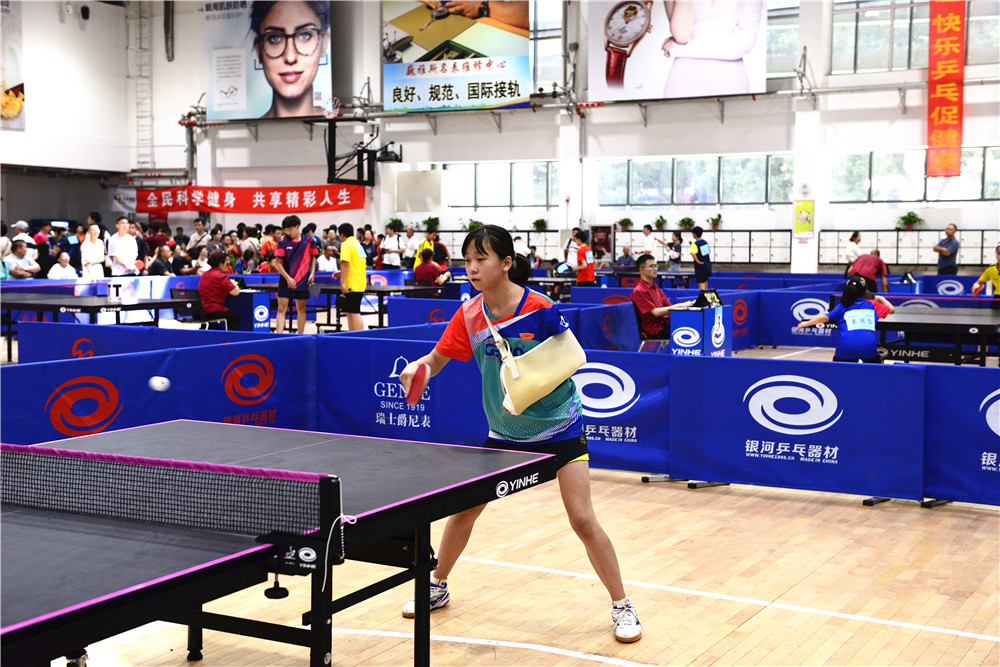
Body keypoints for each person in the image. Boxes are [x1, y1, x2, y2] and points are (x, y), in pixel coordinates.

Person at [396, 225, 642, 644]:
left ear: (506, 263)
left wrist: (529, 378)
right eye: (467, 260)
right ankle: (437, 585)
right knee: (465, 512)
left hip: (560, 427)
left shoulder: (540, 307)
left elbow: (572, 358)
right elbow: (437, 359)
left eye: (482, 259)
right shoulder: (469, 314)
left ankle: (622, 604)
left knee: (582, 519)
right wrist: (417, 367)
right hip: (504, 432)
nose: (472, 268)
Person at [661, 1, 765, 99]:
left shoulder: (681, 49)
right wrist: (681, 47)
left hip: (731, 81)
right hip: (684, 79)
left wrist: (682, 49)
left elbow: (744, 42)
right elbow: (681, 35)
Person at [250, 1, 330, 119]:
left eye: (305, 35)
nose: (290, 57)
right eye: (275, 38)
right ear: (258, 50)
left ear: (324, 43)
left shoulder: (336, 125)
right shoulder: (245, 127)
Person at [797, 275, 895, 363]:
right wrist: (881, 298)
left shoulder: (842, 307)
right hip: (868, 350)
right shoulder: (873, 305)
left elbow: (825, 317)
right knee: (876, 368)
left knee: (841, 371)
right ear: (866, 292)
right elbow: (892, 310)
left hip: (845, 350)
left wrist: (806, 323)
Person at [630, 253, 695, 339]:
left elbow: (669, 307)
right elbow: (656, 313)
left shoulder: (655, 287)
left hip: (666, 325)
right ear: (641, 270)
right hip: (656, 331)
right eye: (651, 266)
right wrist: (682, 305)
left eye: (656, 266)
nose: (655, 269)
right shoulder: (639, 291)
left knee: (692, 324)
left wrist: (692, 304)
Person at [272, 214, 318, 334]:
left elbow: (313, 257)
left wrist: (312, 273)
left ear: (297, 226)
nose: (288, 232)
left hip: (303, 279)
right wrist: (287, 278)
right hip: (285, 279)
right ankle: (279, 336)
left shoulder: (308, 240)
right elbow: (277, 262)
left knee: (301, 309)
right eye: (286, 230)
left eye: (290, 229)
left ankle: (300, 336)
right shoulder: (283, 241)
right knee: (281, 309)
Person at [334, 222, 366, 331]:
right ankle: (351, 335)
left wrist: (342, 283)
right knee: (350, 311)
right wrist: (340, 273)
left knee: (354, 312)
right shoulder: (357, 244)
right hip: (360, 282)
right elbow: (356, 264)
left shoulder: (346, 244)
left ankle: (359, 336)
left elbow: (345, 263)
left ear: (342, 234)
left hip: (352, 284)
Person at [198, 251, 242, 330]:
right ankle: (229, 337)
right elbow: (236, 292)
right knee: (234, 317)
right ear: (221, 264)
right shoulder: (220, 276)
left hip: (201, 310)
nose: (227, 265)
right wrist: (233, 283)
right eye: (226, 262)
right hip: (213, 310)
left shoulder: (204, 274)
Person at [972, 244, 1000, 309]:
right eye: (998, 253)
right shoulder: (991, 269)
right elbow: (978, 282)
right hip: (997, 299)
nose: (999, 256)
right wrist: (975, 286)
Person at [689, 225, 712, 290]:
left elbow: (693, 254)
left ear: (694, 234)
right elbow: (706, 253)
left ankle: (703, 296)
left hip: (700, 268)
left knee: (701, 287)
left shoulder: (694, 244)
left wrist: (698, 261)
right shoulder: (705, 242)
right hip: (707, 266)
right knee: (705, 286)